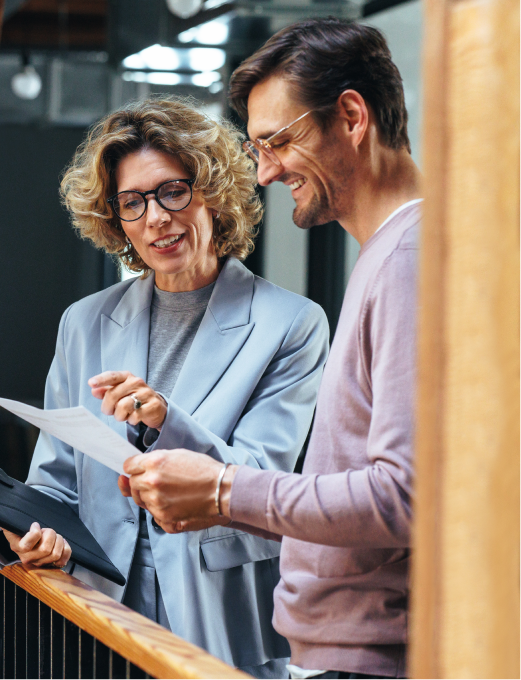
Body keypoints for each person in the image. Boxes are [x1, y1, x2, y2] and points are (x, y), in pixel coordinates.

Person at [0, 97, 329, 679]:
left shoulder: (291, 324)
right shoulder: (85, 320)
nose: (156, 218)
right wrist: (39, 536)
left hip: (216, 609)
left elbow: (258, 482)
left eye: (173, 191)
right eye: (132, 203)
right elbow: (56, 481)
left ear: (213, 192)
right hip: (101, 600)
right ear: (115, 219)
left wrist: (169, 418)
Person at [121, 19, 421, 680]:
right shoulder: (387, 254)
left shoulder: (409, 257)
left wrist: (225, 489)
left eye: (276, 141)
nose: (264, 171)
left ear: (350, 116)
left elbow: (405, 497)